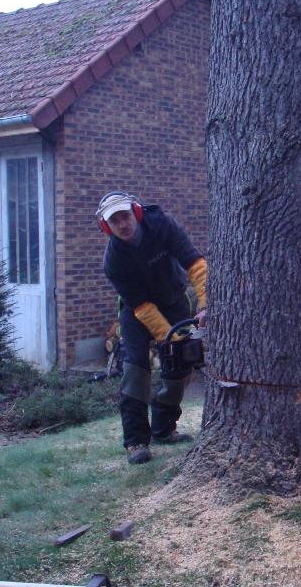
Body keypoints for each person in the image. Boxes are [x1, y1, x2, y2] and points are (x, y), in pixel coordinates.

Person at [97, 191, 207, 464]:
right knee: (135, 368)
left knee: (180, 365)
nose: (122, 224)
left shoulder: (162, 225)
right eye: (114, 221)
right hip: (137, 310)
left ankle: (164, 429)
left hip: (173, 298)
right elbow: (142, 307)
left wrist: (206, 304)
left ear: (135, 212)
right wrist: (166, 336)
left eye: (125, 216)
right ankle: (135, 441)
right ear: (106, 227)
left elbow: (195, 264)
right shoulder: (113, 261)